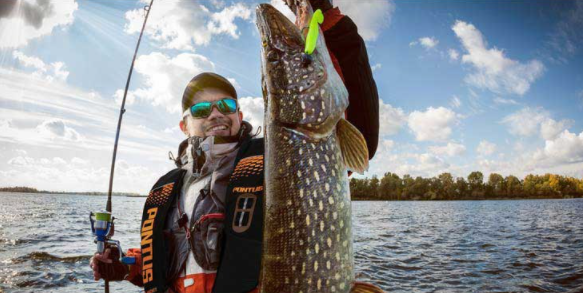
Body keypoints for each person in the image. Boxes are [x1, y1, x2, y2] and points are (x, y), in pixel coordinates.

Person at [90, 1, 379, 292]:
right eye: (202, 109)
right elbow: (167, 262)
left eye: (226, 105)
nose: (216, 114)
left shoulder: (278, 156)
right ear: (184, 125)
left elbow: (361, 131)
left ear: (239, 116)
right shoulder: (166, 190)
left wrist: (328, 20)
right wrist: (126, 266)